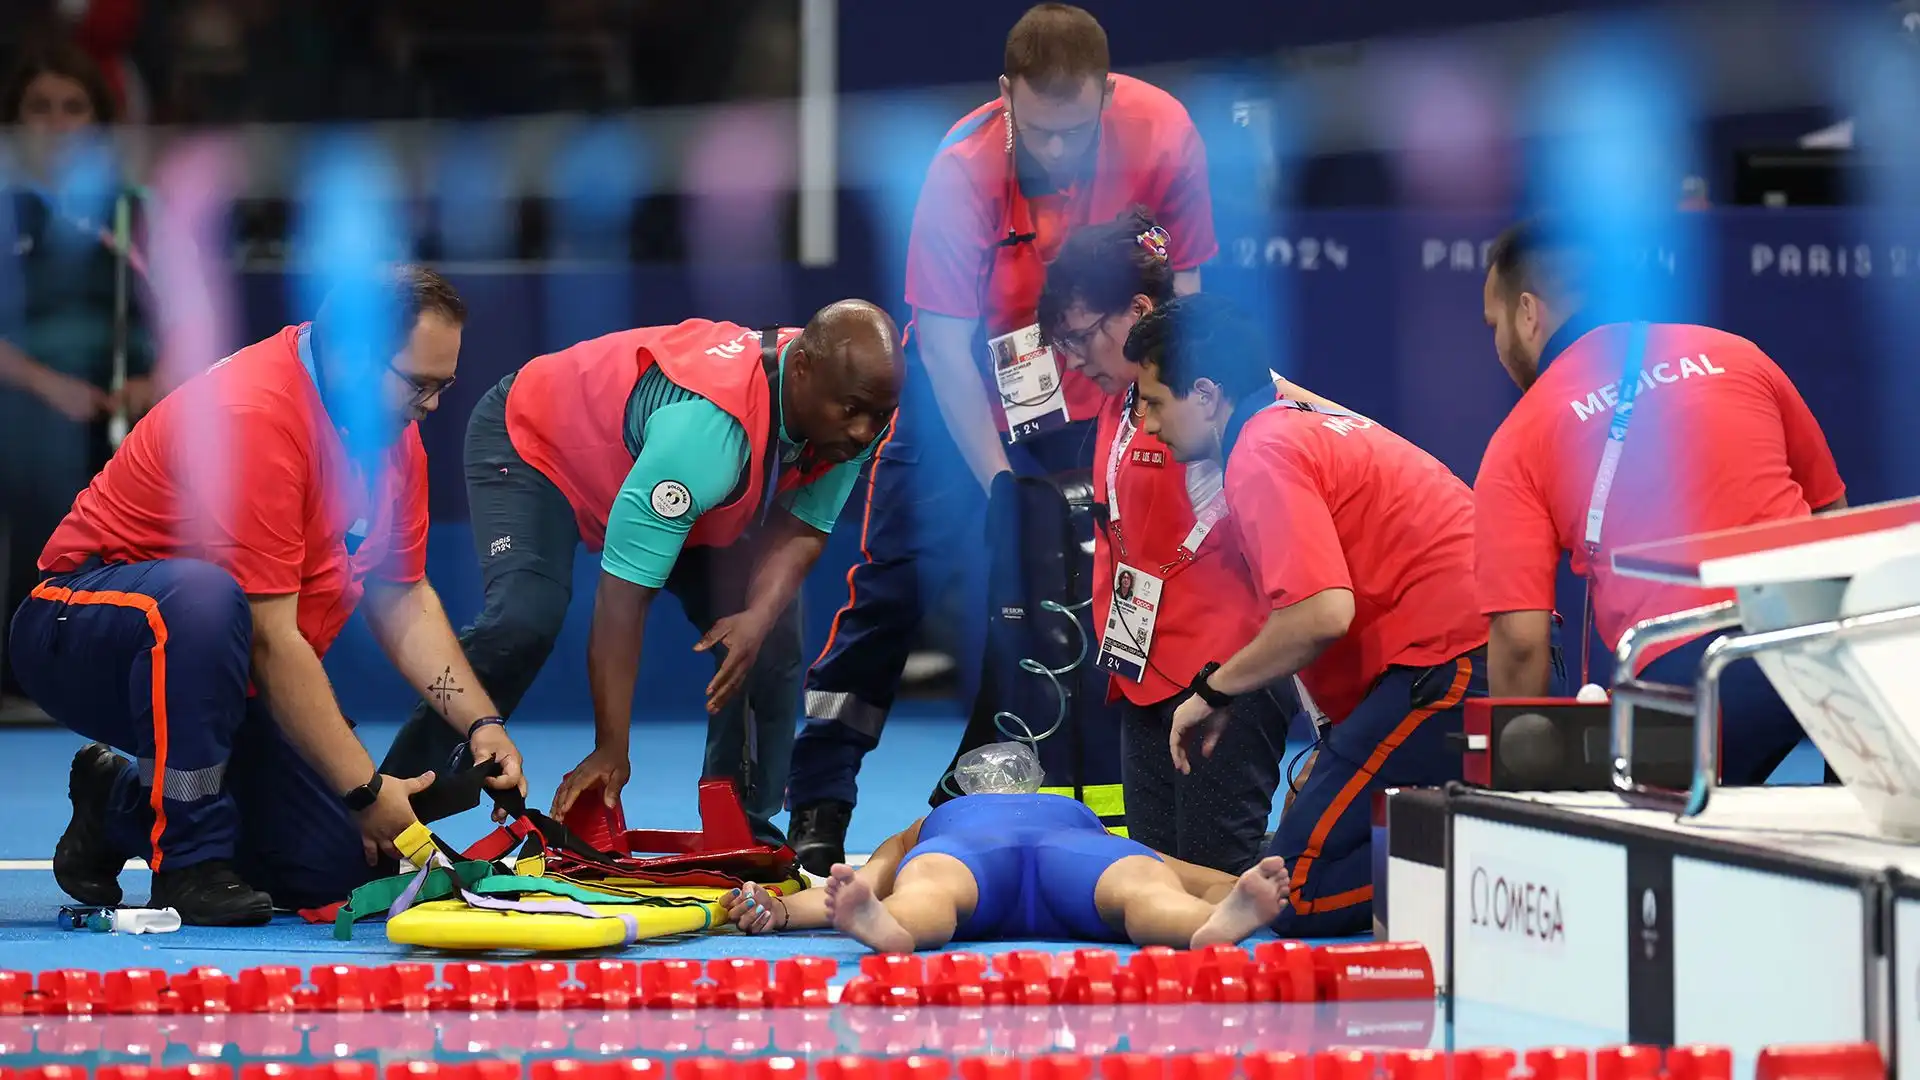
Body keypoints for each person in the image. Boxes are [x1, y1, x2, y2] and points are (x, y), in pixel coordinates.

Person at [788, 2, 1219, 874]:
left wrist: (1150, 427)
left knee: (1097, 597)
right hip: (967, 403)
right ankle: (819, 804)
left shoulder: (1164, 132)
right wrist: (1001, 486)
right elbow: (943, 347)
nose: (1058, 153)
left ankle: (1042, 795)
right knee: (893, 593)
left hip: (1102, 390)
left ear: (1108, 93)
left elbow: (1187, 303)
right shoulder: (958, 168)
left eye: (1076, 132)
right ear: (1003, 95)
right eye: (1039, 132)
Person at [7, 265, 528, 926]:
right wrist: (366, 787)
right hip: (80, 626)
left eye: (443, 385)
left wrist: (481, 725)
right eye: (417, 384)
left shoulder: (390, 435)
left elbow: (401, 597)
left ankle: (117, 804)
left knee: (341, 863)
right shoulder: (254, 414)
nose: (430, 406)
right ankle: (189, 863)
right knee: (203, 601)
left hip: (220, 667)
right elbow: (271, 641)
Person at [378, 304, 904, 844]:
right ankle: (394, 810)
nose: (865, 432)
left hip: (653, 474)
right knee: (524, 619)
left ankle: (742, 825)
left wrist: (755, 616)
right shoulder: (707, 439)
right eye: (853, 412)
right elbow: (622, 599)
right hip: (534, 444)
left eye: (879, 415)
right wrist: (612, 748)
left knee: (766, 636)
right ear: (801, 374)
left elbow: (802, 527)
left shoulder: (846, 394)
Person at [1124, 293, 1489, 938]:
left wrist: (1210, 690)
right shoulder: (1296, 425)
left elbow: (1321, 614)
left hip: (1449, 665)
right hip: (1453, 660)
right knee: (1303, 860)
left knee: (1293, 893)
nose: (1147, 426)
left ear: (1205, 397)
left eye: (1153, 402)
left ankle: (1501, 860)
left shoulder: (1261, 452)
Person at [1474, 216, 1846, 784]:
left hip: (1695, 671)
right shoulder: (1738, 355)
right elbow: (1833, 522)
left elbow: (1522, 645)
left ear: (1528, 313)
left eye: (1494, 325)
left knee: (1626, 848)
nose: (1497, 347)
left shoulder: (1520, 436)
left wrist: (1516, 782)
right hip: (1825, 642)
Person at [1035, 208, 1304, 876]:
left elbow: (1293, 416)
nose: (1072, 359)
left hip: (1224, 679)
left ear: (1137, 309)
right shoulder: (1121, 402)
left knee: (1217, 887)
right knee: (1157, 885)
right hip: (1140, 673)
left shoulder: (1212, 403)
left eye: (1081, 337)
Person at [0, 39, 160, 719]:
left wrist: (157, 385)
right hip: (23, 397)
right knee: (36, 444)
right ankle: (22, 669)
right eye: (39, 108)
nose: (57, 122)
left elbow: (189, 313)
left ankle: (119, 669)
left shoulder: (133, 208)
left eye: (74, 107)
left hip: (121, 397)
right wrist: (48, 387)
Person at [719, 790, 1288, 954]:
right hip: (1082, 858)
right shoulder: (1083, 820)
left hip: (968, 853)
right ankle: (1200, 927)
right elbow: (1197, 873)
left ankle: (893, 932)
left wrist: (779, 909)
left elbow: (859, 889)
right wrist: (1224, 896)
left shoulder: (932, 822)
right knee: (1143, 889)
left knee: (927, 893)